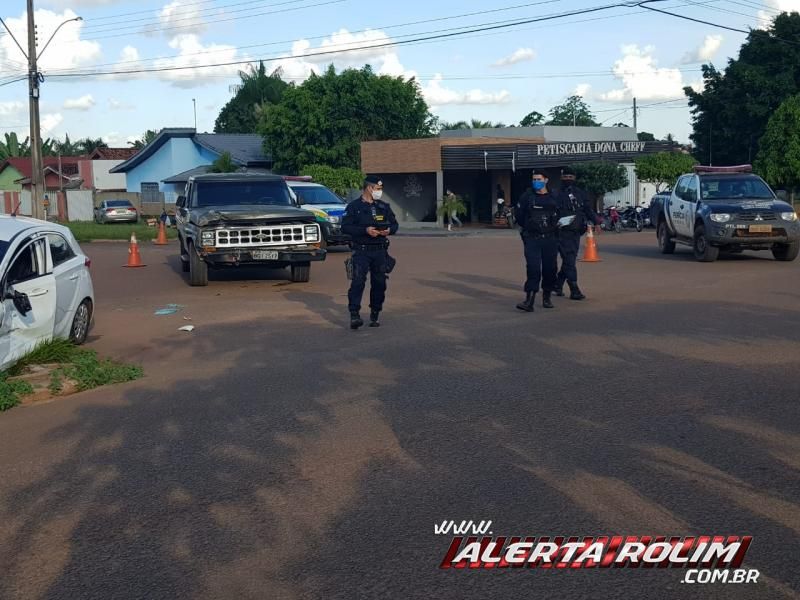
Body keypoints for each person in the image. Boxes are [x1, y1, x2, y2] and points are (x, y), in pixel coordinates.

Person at [341, 175, 399, 329]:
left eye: (380, 189)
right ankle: (354, 315)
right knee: (358, 282)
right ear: (369, 188)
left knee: (379, 284)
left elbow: (394, 225)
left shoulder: (383, 206)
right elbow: (345, 227)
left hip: (380, 252)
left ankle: (375, 312)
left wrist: (388, 230)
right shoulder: (354, 207)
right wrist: (365, 230)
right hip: (361, 251)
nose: (380, 192)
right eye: (378, 189)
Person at [514, 169, 561, 312]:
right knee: (533, 268)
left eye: (539, 179)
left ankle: (546, 297)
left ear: (546, 180)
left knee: (550, 269)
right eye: (534, 179)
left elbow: (562, 213)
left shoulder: (555, 196)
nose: (536, 182)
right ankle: (529, 300)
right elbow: (519, 216)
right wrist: (529, 227)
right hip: (532, 238)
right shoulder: (527, 196)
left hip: (550, 238)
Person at [555, 166, 600, 300]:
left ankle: (558, 284)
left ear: (574, 178)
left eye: (570, 177)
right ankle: (574, 288)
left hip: (575, 232)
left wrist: (596, 221)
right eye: (565, 177)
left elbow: (587, 209)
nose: (568, 179)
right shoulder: (555, 194)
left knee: (570, 259)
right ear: (561, 178)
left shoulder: (580, 193)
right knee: (569, 259)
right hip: (561, 232)